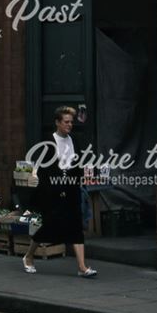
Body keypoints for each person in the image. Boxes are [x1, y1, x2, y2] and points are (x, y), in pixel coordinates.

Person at [22, 105, 97, 277]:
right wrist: (55, 190)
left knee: (76, 227)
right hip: (52, 193)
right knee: (49, 227)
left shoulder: (74, 140)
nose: (70, 125)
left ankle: (82, 267)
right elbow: (44, 171)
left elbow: (75, 166)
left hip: (71, 190)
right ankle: (28, 256)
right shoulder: (49, 142)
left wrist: (81, 180)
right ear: (57, 123)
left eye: (71, 122)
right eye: (66, 122)